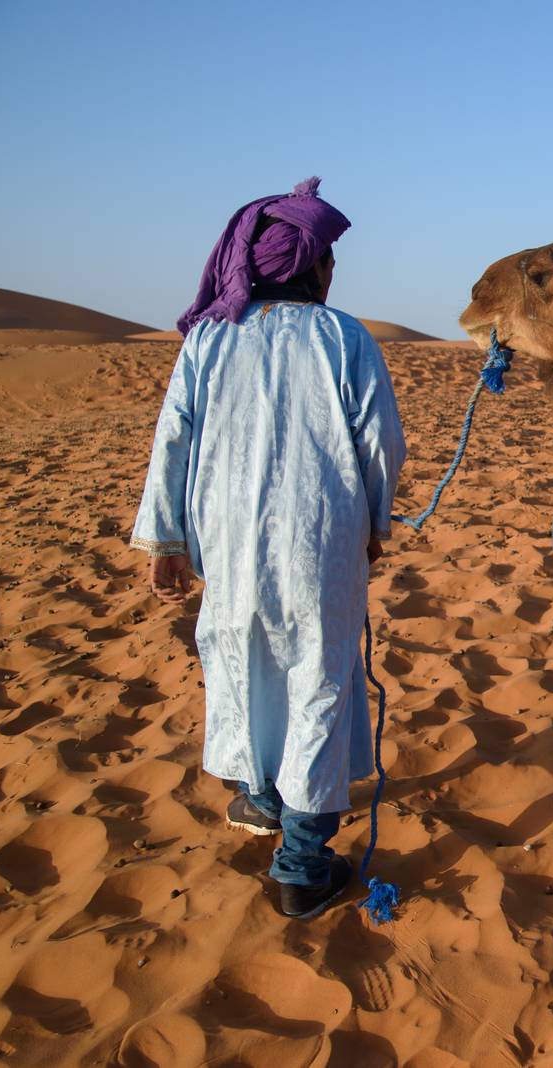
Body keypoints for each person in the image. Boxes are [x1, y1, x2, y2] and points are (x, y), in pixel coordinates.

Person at [132, 177, 407, 919]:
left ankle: (259, 798)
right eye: (328, 259)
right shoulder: (344, 338)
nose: (333, 272)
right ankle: (301, 862)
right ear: (309, 266)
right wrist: (376, 526)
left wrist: (165, 538)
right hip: (318, 536)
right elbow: (381, 444)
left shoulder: (210, 342)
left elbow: (174, 441)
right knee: (317, 674)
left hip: (224, 540)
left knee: (241, 656)